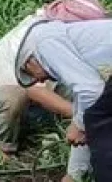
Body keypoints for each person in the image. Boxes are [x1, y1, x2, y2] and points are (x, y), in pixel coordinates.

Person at [0, 0, 106, 171]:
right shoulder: (38, 40)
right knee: (13, 97)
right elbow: (33, 90)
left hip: (29, 109)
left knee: (85, 93)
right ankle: (4, 153)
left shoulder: (54, 33)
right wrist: (84, 121)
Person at [16, 17, 112, 182]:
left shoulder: (44, 45)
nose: (39, 81)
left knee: (104, 150)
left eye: (31, 75)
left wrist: (80, 126)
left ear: (30, 62)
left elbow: (91, 94)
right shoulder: (66, 46)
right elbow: (88, 108)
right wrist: (72, 175)